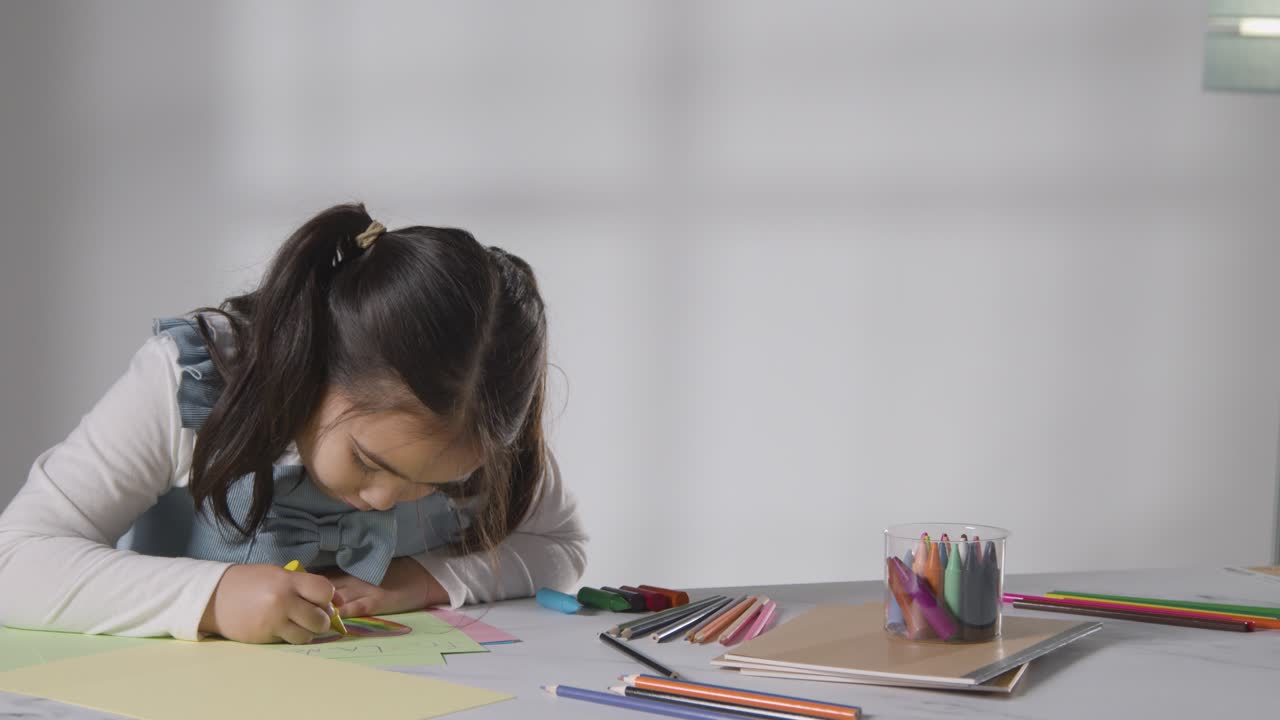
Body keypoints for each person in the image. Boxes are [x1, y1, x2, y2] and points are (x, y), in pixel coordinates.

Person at [0, 203, 587, 644]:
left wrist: (429, 578)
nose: (384, 501)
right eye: (367, 462)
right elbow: (15, 560)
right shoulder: (194, 386)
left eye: (440, 482)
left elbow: (560, 546)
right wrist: (212, 597)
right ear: (316, 366)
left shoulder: (479, 417)